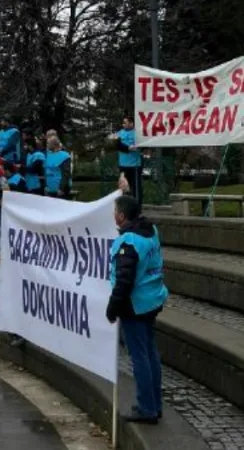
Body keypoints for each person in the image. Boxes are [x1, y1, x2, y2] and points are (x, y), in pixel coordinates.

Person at [106, 191, 167, 424]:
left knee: (140, 356)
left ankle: (147, 408)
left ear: (121, 216)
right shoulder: (150, 232)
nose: (113, 215)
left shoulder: (128, 242)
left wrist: (112, 308)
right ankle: (155, 404)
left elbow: (124, 280)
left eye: (115, 212)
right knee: (150, 353)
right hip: (152, 299)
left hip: (135, 305)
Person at [116, 116, 143, 206]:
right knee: (123, 188)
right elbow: (117, 145)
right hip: (123, 165)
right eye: (123, 122)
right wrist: (128, 148)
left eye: (125, 122)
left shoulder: (138, 133)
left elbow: (143, 145)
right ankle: (123, 208)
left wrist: (138, 147)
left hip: (135, 166)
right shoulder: (120, 133)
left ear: (131, 123)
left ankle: (137, 209)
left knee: (136, 188)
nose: (123, 124)